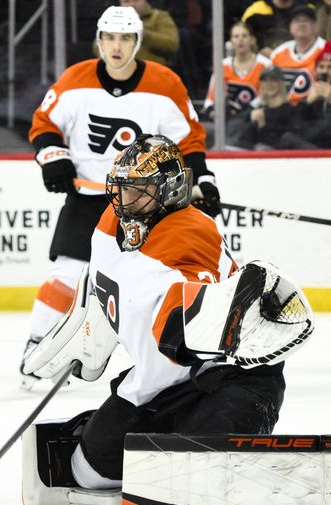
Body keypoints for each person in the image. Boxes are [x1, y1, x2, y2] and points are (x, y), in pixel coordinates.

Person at [22, 133, 310, 492]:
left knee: (195, 475)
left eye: (140, 191)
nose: (127, 200)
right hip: (157, 380)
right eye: (124, 189)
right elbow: (100, 284)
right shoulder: (113, 220)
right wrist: (87, 340)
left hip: (228, 379)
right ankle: (176, 439)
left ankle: (234, 456)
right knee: (90, 473)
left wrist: (185, 331)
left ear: (171, 189)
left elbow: (192, 324)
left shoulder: (191, 236)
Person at [20, 6, 220, 390]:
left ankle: (188, 356)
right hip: (91, 197)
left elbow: (189, 139)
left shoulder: (166, 84)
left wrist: (203, 179)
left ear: (138, 42)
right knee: (67, 275)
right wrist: (53, 158)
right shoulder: (74, 80)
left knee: (165, 279)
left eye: (125, 38)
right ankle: (36, 347)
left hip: (148, 206)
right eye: (109, 37)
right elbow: (44, 124)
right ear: (99, 40)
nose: (117, 46)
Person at [202, 21, 272, 119]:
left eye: (244, 36)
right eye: (236, 36)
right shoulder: (222, 66)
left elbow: (267, 96)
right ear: (231, 41)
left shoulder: (265, 64)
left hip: (254, 118)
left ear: (252, 40)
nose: (240, 40)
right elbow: (210, 98)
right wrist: (211, 112)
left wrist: (244, 112)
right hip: (228, 120)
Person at [226, 65, 295, 149]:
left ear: (281, 83)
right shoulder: (257, 107)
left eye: (273, 80)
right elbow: (241, 134)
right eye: (265, 81)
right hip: (248, 150)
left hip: (274, 154)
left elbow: (282, 141)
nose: (269, 84)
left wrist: (262, 126)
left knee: (260, 147)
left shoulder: (289, 110)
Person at [270, 4, 328, 104]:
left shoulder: (326, 50)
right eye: (297, 20)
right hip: (282, 110)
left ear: (315, 26)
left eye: (306, 20)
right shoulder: (278, 53)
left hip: (314, 110)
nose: (301, 24)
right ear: (290, 27)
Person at [119, 0, 179, 66]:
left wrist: (143, 34)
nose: (132, 5)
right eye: (127, 1)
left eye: (136, 0)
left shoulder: (159, 17)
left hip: (153, 69)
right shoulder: (113, 22)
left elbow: (172, 44)